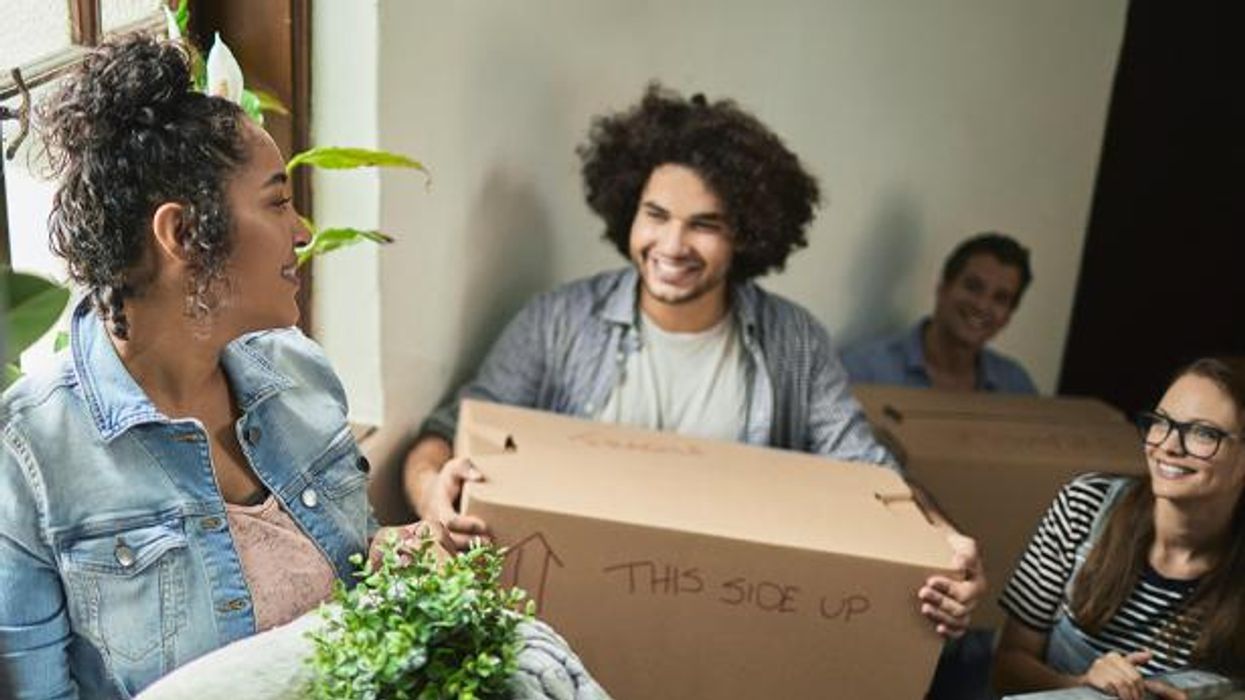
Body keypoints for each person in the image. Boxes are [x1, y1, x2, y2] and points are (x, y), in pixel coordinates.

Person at [401, 83, 985, 640]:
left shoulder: (793, 342)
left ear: (747, 237)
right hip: (568, 625)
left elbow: (872, 476)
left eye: (704, 225)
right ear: (629, 211)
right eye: (656, 215)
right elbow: (444, 434)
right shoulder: (560, 322)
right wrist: (432, 496)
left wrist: (942, 541)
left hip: (725, 627)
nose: (673, 246)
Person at [0, 35, 400, 698]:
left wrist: (390, 560)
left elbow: (354, 580)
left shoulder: (300, 373)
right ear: (182, 235)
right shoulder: (27, 461)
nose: (302, 232)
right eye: (276, 202)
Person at [993, 358, 1245, 700]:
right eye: (1162, 423)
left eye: (1203, 433)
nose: (1168, 445)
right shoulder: (1084, 505)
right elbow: (1006, 668)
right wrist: (1081, 684)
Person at [841, 232, 1037, 393]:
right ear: (943, 288)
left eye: (1000, 299)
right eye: (973, 287)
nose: (982, 306)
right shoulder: (863, 372)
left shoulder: (1016, 386)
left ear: (1009, 316)